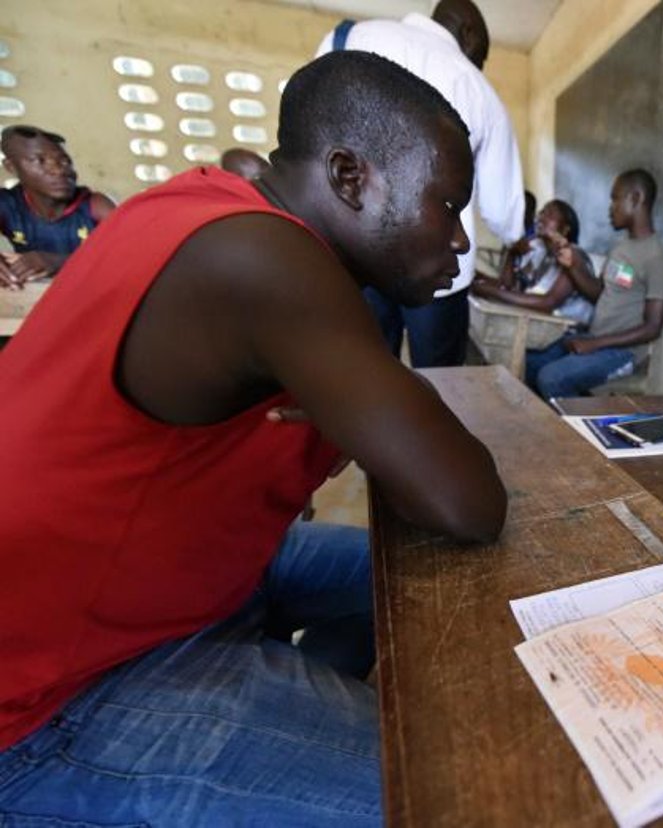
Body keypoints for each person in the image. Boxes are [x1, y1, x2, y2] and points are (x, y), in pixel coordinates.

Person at [0, 51, 506, 825]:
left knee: (427, 581)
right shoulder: (264, 258)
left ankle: (293, 701)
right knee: (452, 794)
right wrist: (389, 413)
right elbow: (466, 499)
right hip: (59, 689)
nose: (460, 244)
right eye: (446, 205)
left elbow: (429, 489)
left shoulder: (190, 204)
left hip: (186, 571)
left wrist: (379, 413)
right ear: (349, 177)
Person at [316, 0, 525, 366]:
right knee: (444, 386)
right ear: (469, 34)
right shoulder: (479, 91)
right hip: (438, 269)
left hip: (354, 254)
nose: (480, 64)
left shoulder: (347, 39)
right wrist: (516, 240)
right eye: (483, 56)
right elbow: (502, 212)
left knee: (365, 374)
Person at [525, 169, 663, 399]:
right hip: (597, 339)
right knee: (530, 363)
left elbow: (653, 326)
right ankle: (564, 418)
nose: (610, 208)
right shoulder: (621, 247)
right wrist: (572, 265)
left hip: (623, 353)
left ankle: (584, 429)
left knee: (551, 378)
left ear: (635, 198)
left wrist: (597, 344)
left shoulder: (657, 256)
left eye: (615, 199)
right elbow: (599, 294)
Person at [0, 124, 115, 288]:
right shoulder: (8, 203)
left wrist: (61, 261)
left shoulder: (94, 205)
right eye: (40, 161)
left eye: (65, 161)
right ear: (11, 167)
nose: (59, 170)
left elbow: (134, 255)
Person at [472, 198, 597, 325]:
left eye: (550, 215)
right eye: (542, 212)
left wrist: (489, 291)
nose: (541, 218)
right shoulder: (538, 249)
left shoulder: (574, 255)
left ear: (565, 229)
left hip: (569, 329)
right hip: (540, 322)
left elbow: (548, 302)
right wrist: (512, 252)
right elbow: (509, 286)